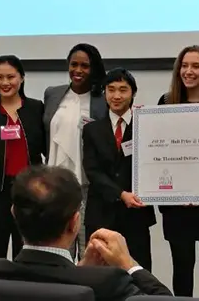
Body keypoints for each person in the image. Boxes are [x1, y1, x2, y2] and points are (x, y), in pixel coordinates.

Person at [0, 165, 172, 300]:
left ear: (14, 213)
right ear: (75, 222)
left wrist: (78, 269)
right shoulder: (108, 283)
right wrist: (129, 264)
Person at [156, 45, 199, 299]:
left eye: (195, 66)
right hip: (177, 205)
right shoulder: (165, 103)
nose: (188, 71)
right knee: (182, 266)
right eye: (184, 66)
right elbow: (159, 152)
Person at [0, 55, 45, 259]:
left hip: (30, 195)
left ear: (21, 78)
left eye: (11, 77)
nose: (5, 83)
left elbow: (47, 151)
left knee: (28, 258)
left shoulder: (36, 109)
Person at [82, 68, 156, 271]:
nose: (116, 96)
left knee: (138, 271)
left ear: (133, 93)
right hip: (101, 212)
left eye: (123, 90)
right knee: (99, 273)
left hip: (136, 215)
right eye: (111, 89)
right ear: (104, 93)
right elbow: (92, 171)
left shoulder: (147, 125)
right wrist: (120, 194)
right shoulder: (92, 130)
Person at [43, 43, 109, 261]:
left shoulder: (101, 99)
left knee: (87, 244)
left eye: (85, 66)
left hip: (87, 184)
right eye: (74, 64)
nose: (78, 70)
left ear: (94, 68)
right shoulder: (52, 94)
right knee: (59, 246)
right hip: (56, 184)